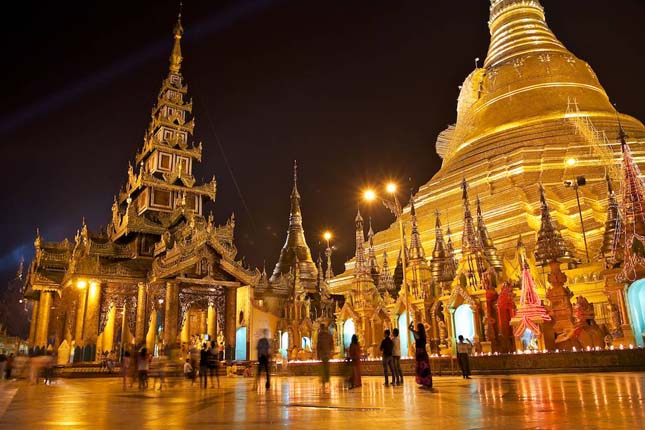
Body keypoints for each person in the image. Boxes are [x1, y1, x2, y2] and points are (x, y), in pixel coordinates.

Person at [409, 321, 432, 389]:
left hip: (419, 352)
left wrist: (411, 325)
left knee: (421, 368)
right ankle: (427, 382)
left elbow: (410, 329)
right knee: (425, 367)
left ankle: (424, 382)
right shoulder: (423, 334)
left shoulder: (417, 334)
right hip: (424, 352)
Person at [316, 324, 333, 390]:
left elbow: (318, 344)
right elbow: (331, 343)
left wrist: (318, 354)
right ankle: (327, 379)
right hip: (327, 353)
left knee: (323, 367)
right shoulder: (329, 335)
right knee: (327, 366)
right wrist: (331, 351)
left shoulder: (320, 335)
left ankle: (324, 379)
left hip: (322, 353)